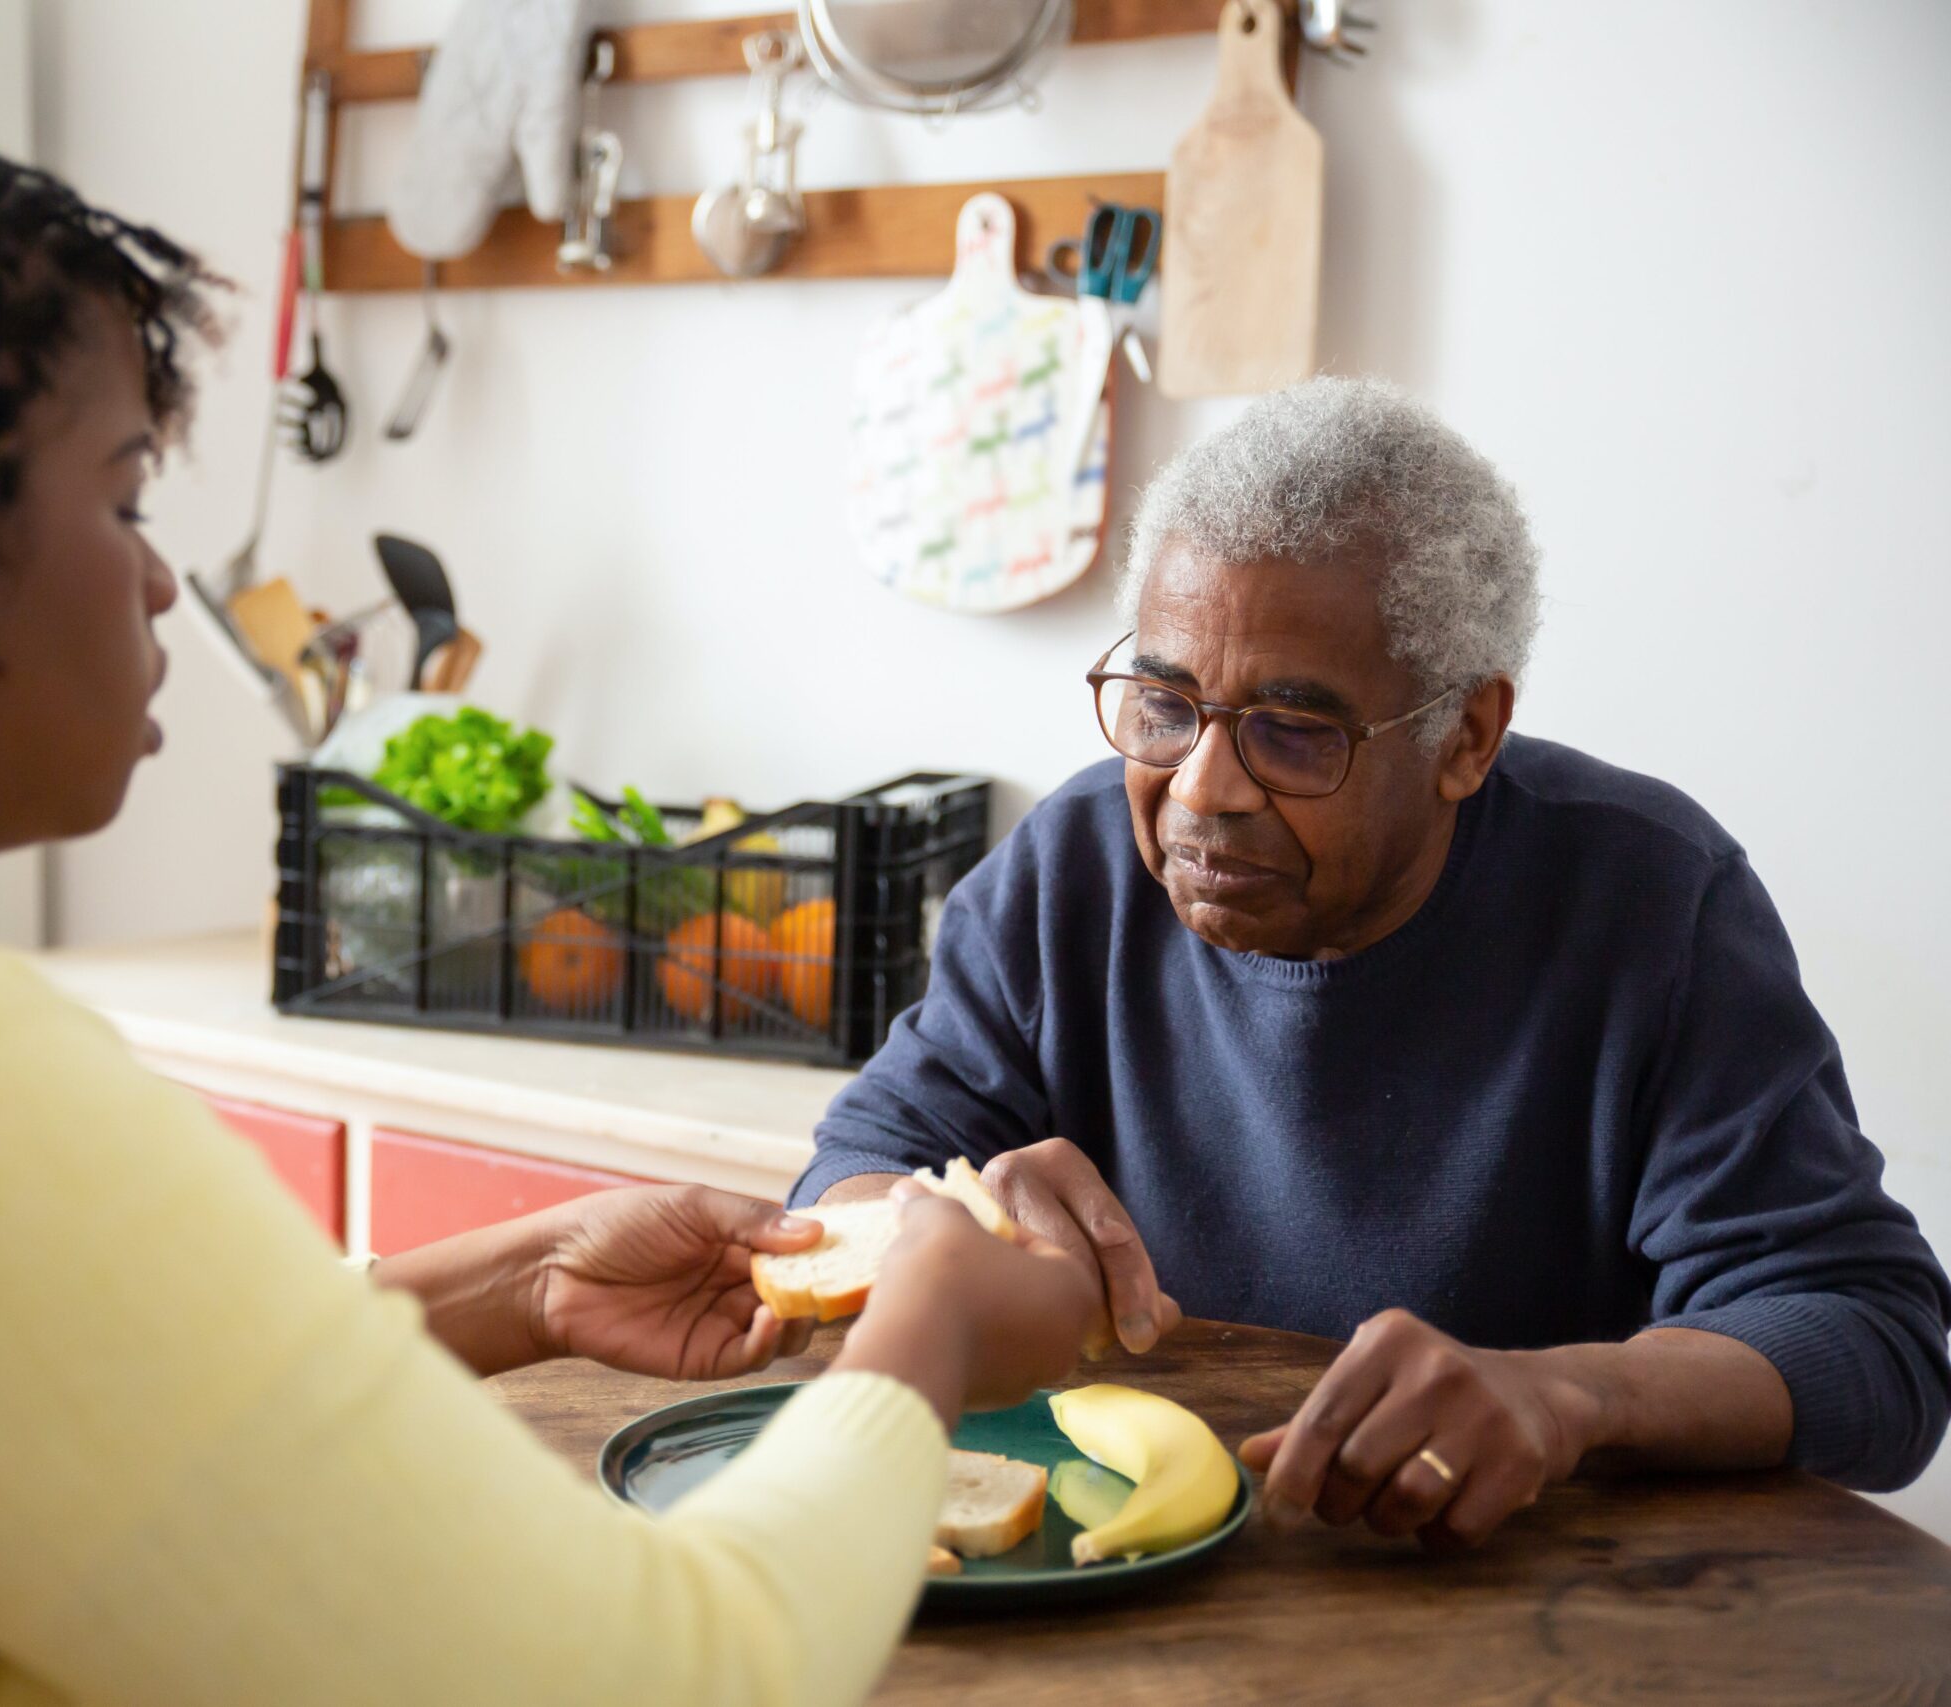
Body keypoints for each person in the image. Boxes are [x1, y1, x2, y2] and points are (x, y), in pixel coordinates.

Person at [0, 54, 1103, 1704]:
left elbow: (38, 1400)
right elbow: (664, 1672)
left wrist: (518, 1282)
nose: (155, 584)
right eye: (124, 494)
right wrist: (925, 1335)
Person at [800, 378, 1950, 1550]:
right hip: (1132, 1577)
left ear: (1467, 737)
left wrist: (1570, 1394)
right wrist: (925, 1222)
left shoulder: (1650, 902)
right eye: (1163, 703)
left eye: (1293, 734)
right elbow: (848, 1173)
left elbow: (1871, 1342)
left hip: (1528, 1605)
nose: (1202, 789)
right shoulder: (1071, 871)